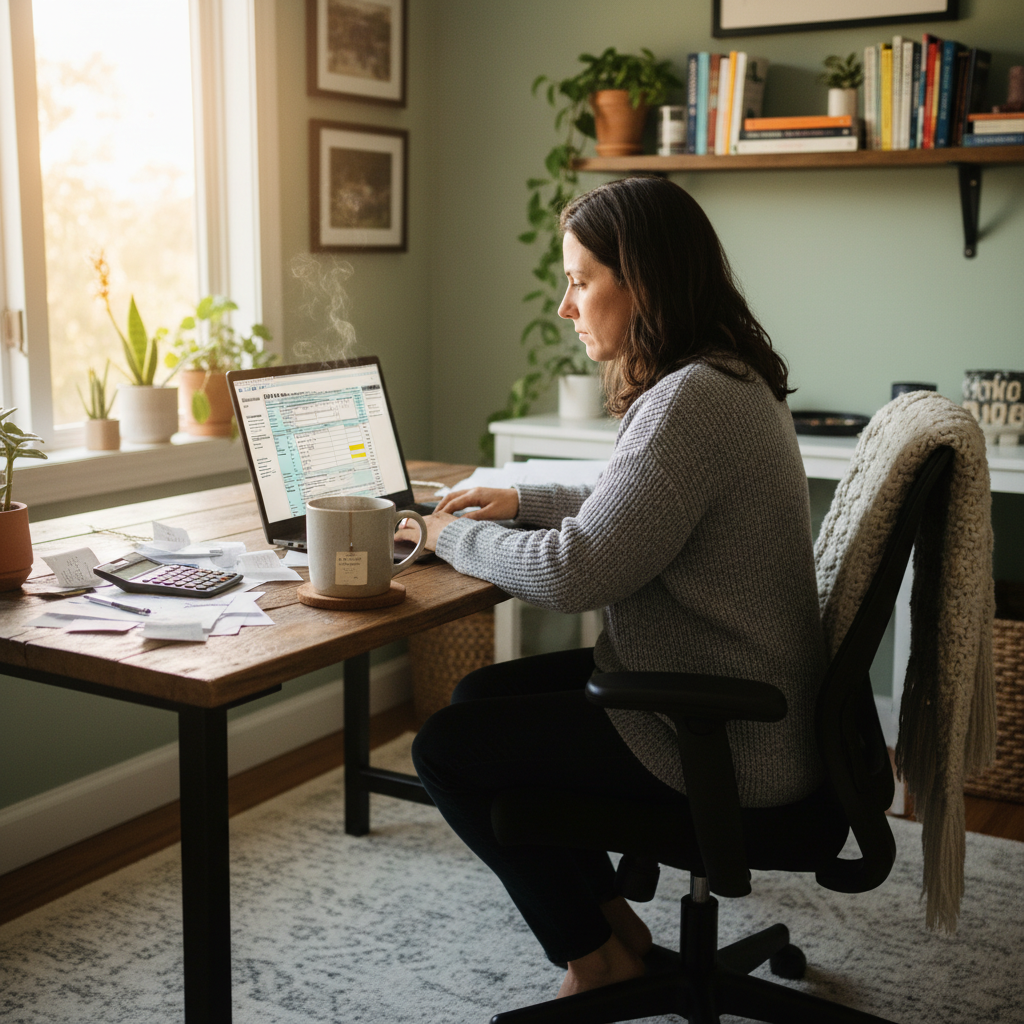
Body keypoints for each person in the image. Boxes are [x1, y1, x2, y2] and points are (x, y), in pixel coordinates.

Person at [396, 176, 827, 999]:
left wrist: (450, 536)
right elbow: (637, 494)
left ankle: (594, 959)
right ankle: (615, 931)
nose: (566, 306)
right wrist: (522, 500)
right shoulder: (724, 377)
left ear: (643, 282)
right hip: (731, 697)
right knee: (476, 697)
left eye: (579, 280)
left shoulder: (691, 399)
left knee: (447, 751)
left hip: (724, 736)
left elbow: (574, 570)